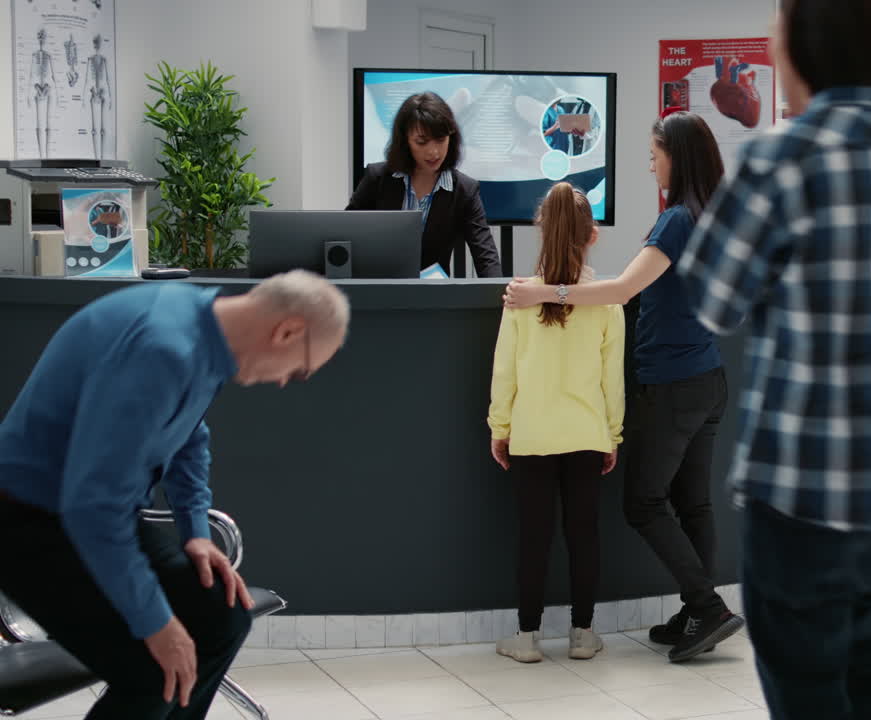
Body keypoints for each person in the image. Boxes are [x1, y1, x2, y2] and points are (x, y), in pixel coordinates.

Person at [674, 1, 871, 716]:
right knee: (860, 680)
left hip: (800, 503)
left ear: (796, 49)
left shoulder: (778, 158)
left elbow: (710, 296)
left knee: (810, 695)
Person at [0, 270, 350, 719]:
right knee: (154, 669)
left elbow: (189, 434)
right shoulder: (161, 349)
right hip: (28, 521)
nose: (284, 381)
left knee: (220, 618)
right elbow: (93, 509)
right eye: (300, 371)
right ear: (288, 331)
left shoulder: (200, 326)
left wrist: (195, 530)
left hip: (90, 510)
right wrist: (157, 625)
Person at [503, 111, 746, 663]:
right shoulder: (714, 217)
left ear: (675, 157)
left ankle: (706, 608)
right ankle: (695, 614)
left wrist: (545, 293)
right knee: (694, 504)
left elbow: (620, 289)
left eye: (654, 152)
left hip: (674, 384)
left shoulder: (677, 220)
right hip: (708, 379)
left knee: (643, 502)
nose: (649, 162)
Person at [487, 182, 624, 664]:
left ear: (540, 231)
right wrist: (613, 435)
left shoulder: (520, 297)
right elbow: (613, 380)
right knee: (584, 536)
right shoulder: (608, 301)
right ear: (593, 236)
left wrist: (499, 427)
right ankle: (583, 634)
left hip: (532, 434)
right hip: (587, 434)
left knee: (534, 538)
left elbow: (505, 370)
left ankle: (526, 638)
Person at [347, 91, 502, 278]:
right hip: (378, 290)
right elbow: (347, 237)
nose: (434, 152)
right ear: (405, 141)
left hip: (433, 297)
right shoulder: (377, 178)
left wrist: (499, 296)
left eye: (441, 139)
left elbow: (486, 255)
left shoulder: (464, 190)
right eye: (422, 142)